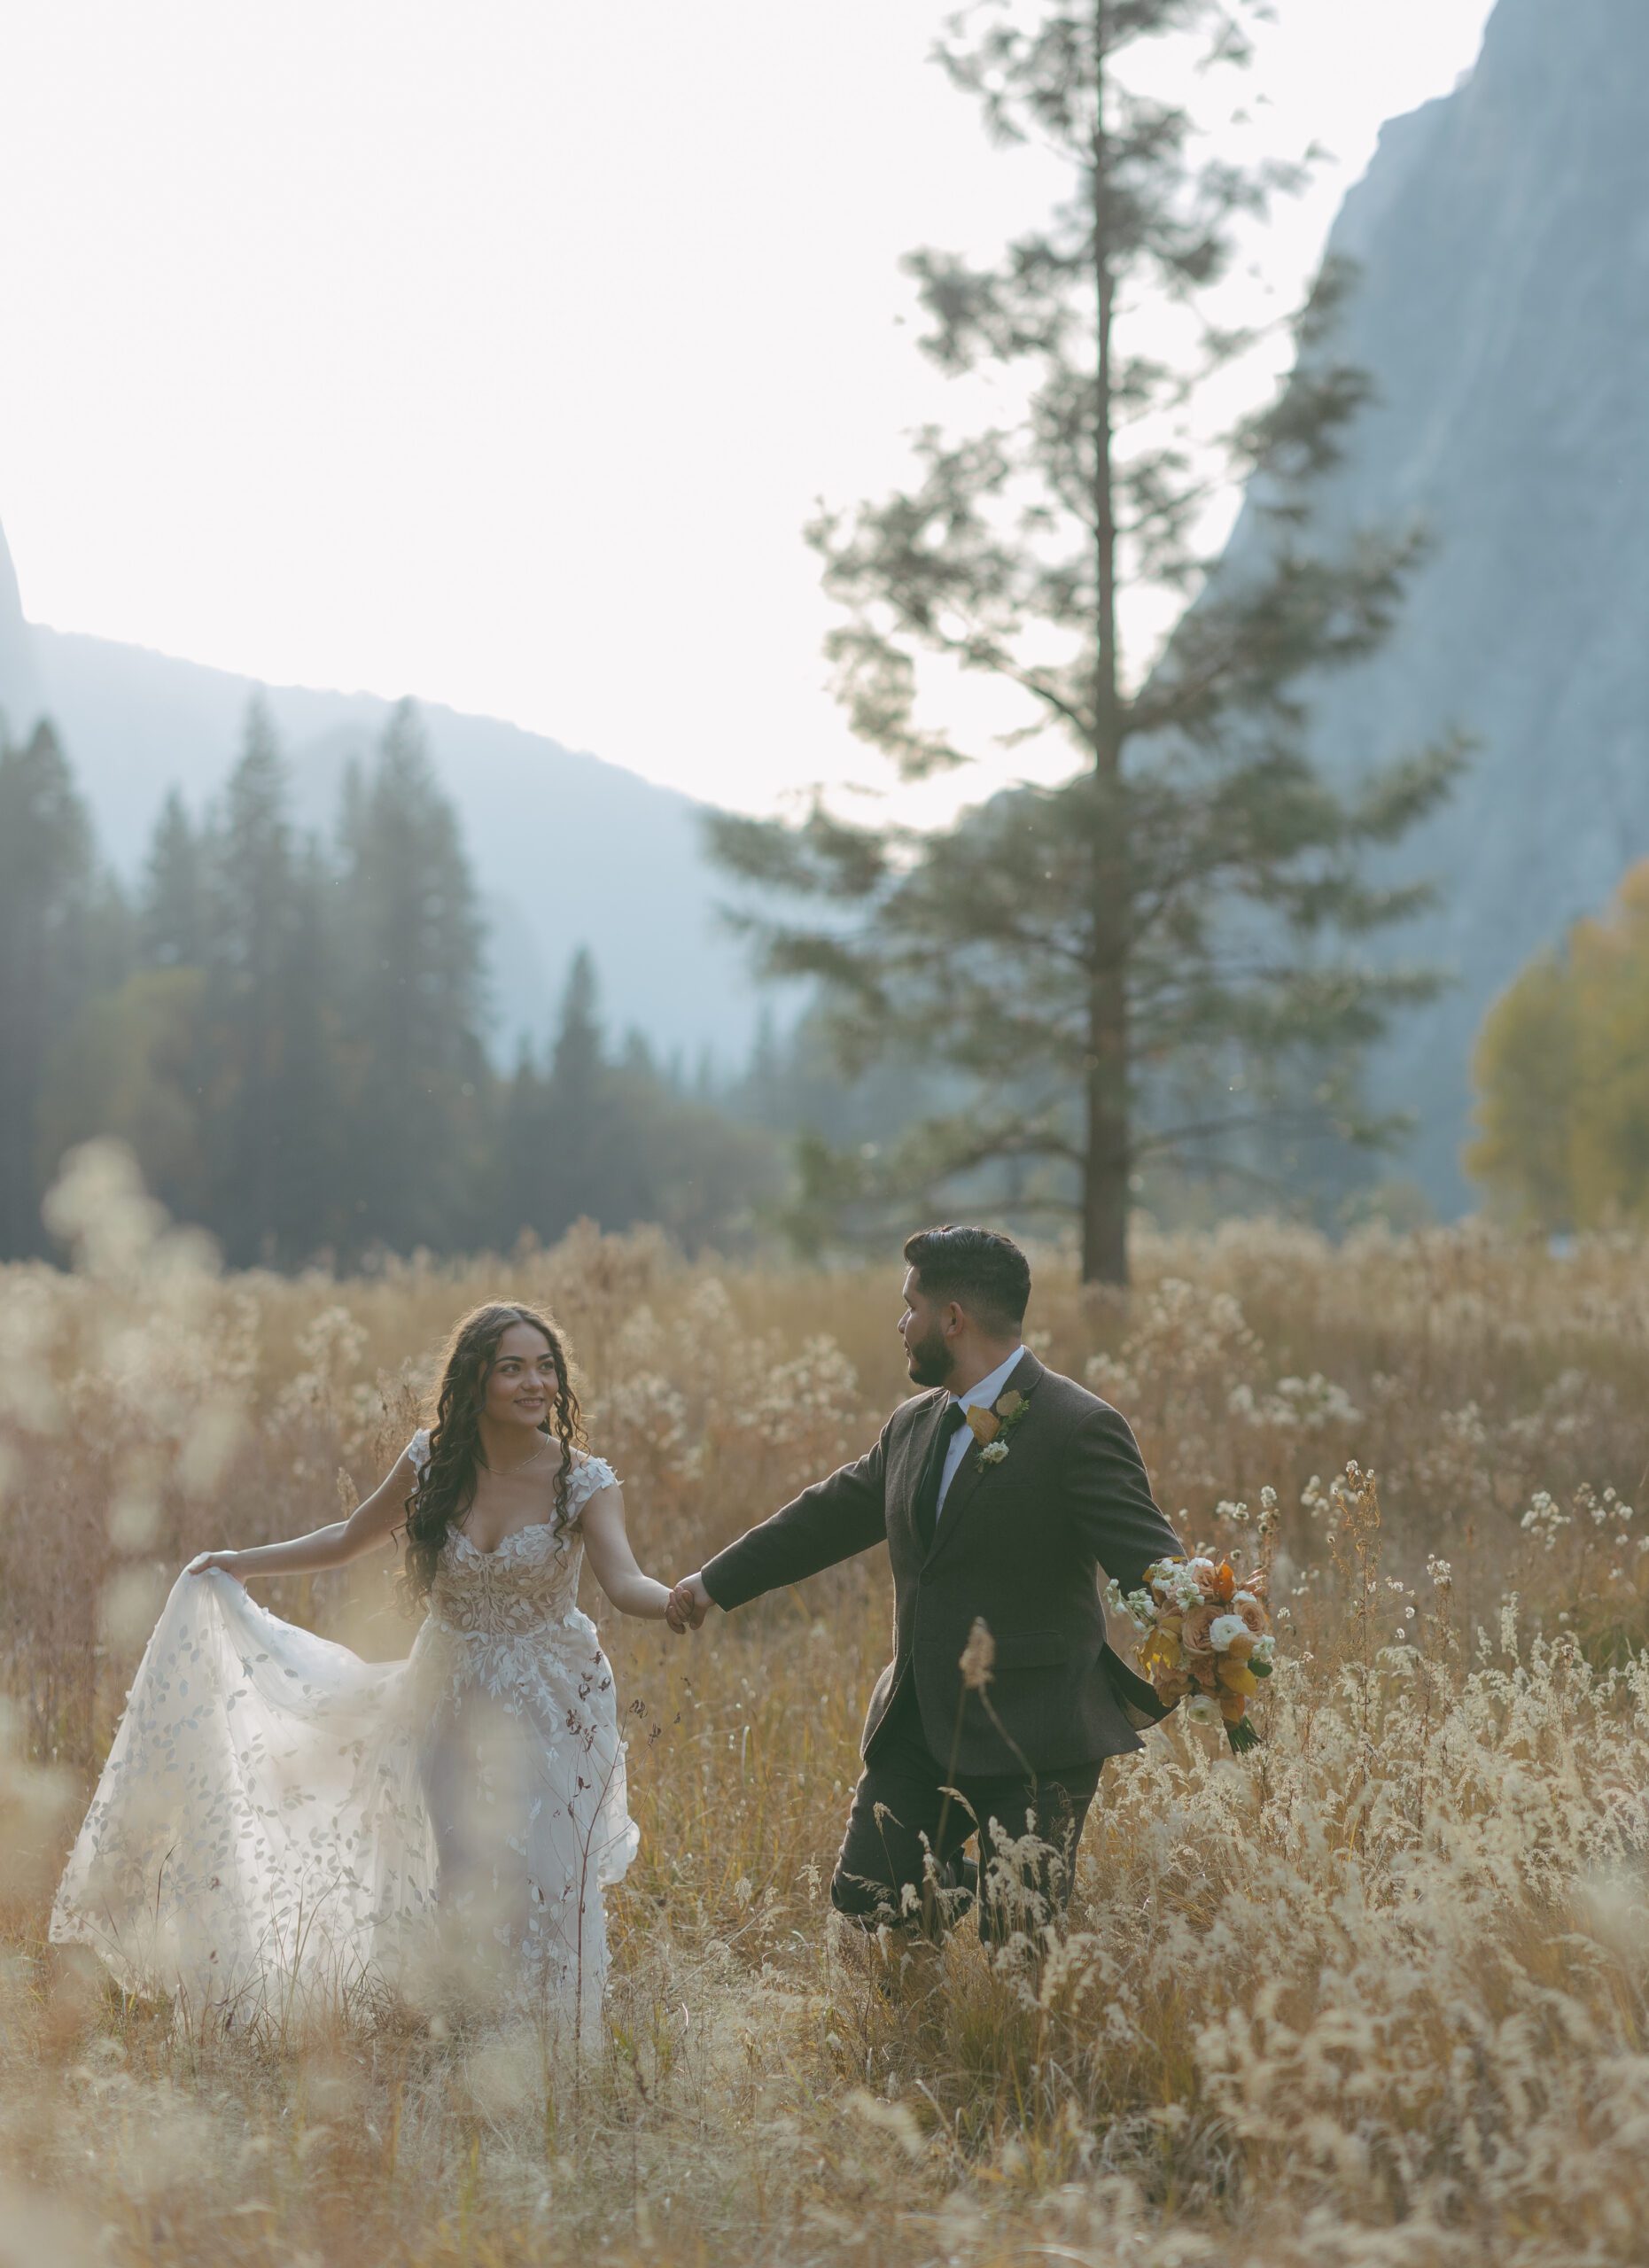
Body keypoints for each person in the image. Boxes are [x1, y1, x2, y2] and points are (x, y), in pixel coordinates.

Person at [51, 1301, 676, 2028]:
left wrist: (677, 1600)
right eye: (512, 1368)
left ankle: (553, 2033)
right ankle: (470, 2031)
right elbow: (350, 1537)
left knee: (543, 1868)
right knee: (465, 1865)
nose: (533, 1383)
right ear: (475, 1380)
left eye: (545, 1367)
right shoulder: (433, 1460)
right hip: (447, 1688)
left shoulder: (584, 1481)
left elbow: (625, 1582)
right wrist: (238, 1564)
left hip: (551, 1693)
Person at [668, 1226, 1184, 1944]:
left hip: (1036, 1731)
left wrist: (1211, 1627)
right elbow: (826, 1518)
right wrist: (712, 1583)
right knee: (867, 1896)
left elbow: (1149, 1560)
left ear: (951, 1319)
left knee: (1019, 1948)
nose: (900, 1323)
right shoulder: (913, 1425)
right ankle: (960, 1889)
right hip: (919, 1716)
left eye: (909, 1305)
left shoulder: (1079, 1426)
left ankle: (1014, 1933)